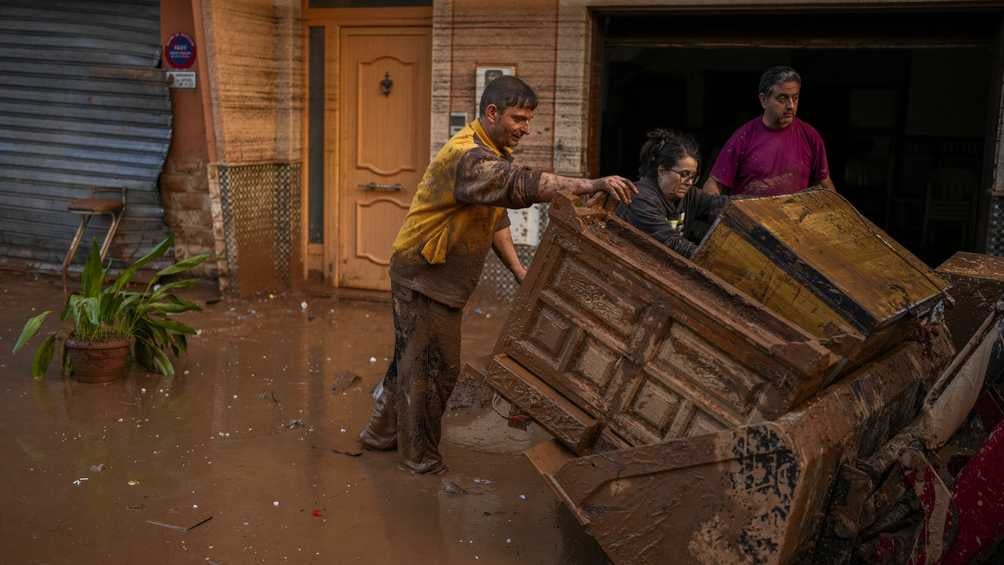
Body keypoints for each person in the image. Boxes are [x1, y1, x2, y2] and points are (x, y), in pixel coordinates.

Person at [359, 76, 637, 474]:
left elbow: (496, 219)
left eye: (528, 120)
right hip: (425, 277)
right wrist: (588, 184)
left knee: (412, 359)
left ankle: (379, 435)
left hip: (431, 277)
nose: (525, 128)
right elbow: (520, 184)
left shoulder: (490, 154)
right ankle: (420, 461)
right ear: (492, 113)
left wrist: (519, 270)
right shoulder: (468, 157)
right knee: (434, 371)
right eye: (518, 118)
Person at [703, 66, 836, 197]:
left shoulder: (810, 136)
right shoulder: (743, 137)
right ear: (764, 100)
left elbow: (824, 183)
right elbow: (713, 184)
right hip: (750, 217)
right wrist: (717, 210)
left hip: (794, 217)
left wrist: (837, 214)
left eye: (795, 98)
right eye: (782, 99)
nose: (791, 106)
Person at [617, 129, 728, 258]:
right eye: (684, 174)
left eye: (693, 176)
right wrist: (709, 260)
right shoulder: (640, 198)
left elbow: (722, 205)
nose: (689, 182)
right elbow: (672, 242)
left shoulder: (688, 194)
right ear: (662, 170)